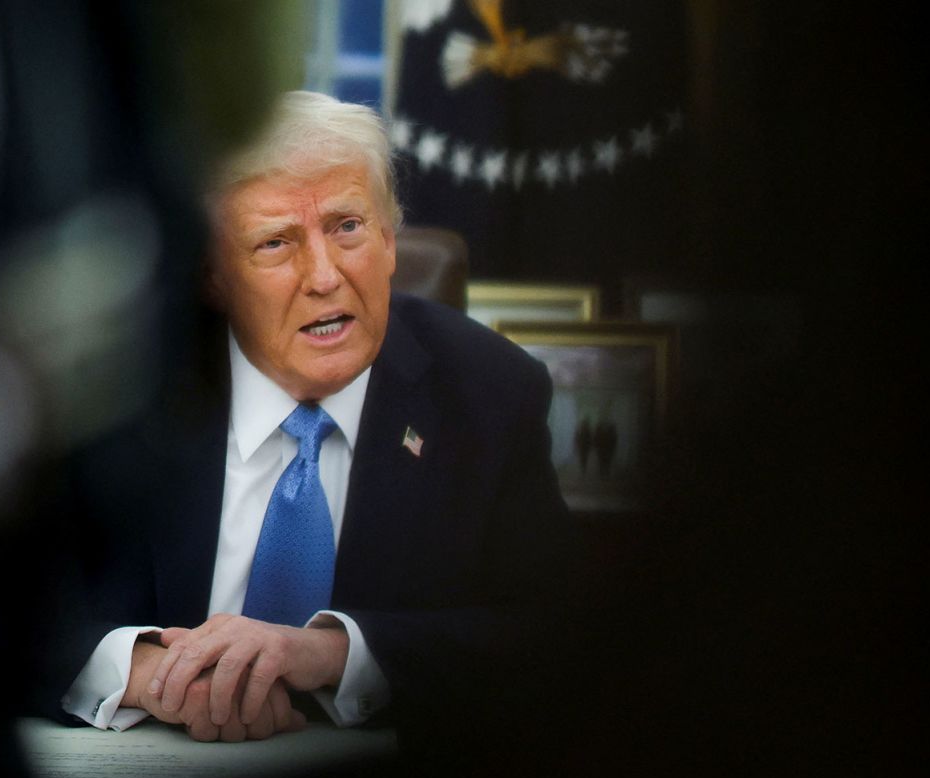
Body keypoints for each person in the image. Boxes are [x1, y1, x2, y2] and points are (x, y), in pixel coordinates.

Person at [57, 90, 573, 743]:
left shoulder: (490, 395)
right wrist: (143, 672)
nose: (324, 276)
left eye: (347, 227)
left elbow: (556, 638)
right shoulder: (119, 396)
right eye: (275, 243)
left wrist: (338, 653)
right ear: (213, 277)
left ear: (390, 239)